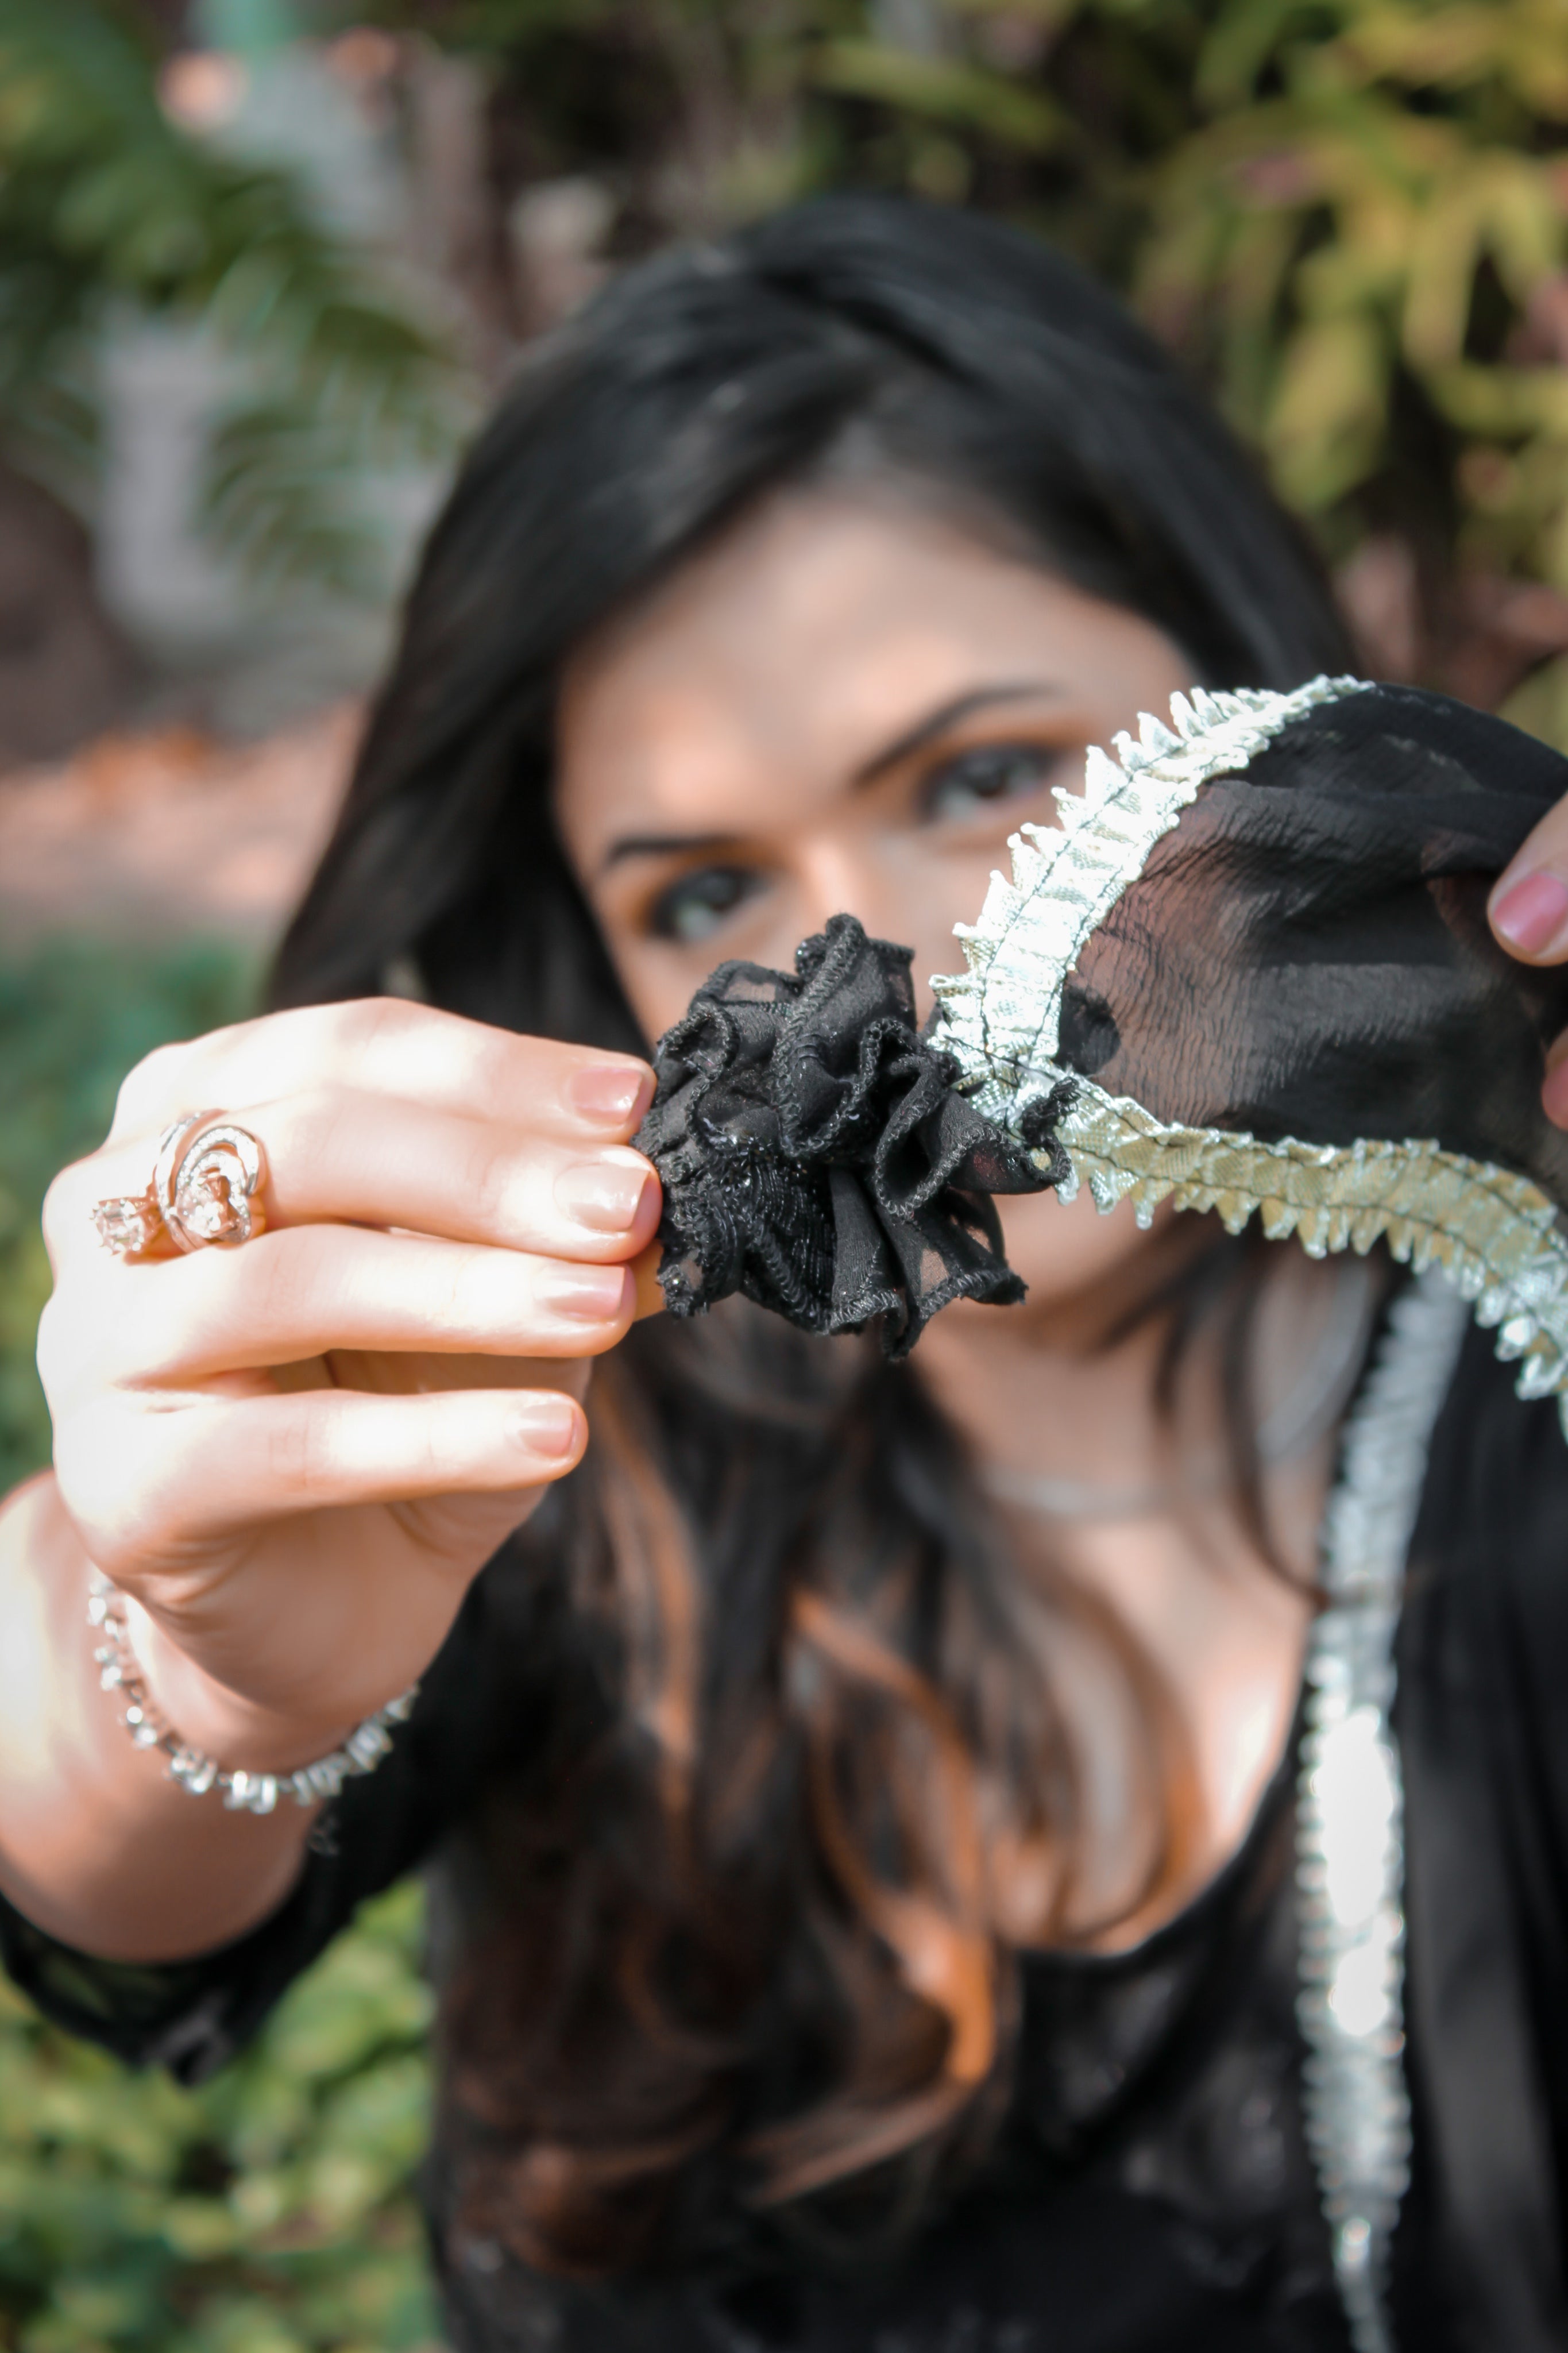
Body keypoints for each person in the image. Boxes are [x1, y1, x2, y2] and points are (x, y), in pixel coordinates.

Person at [3, 194, 1568, 2353]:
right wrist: (183, 1653)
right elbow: (71, 1811)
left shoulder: (1525, 1376)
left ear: (1238, 687)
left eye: (986, 778)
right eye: (703, 885)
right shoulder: (549, 1458)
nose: (877, 974)